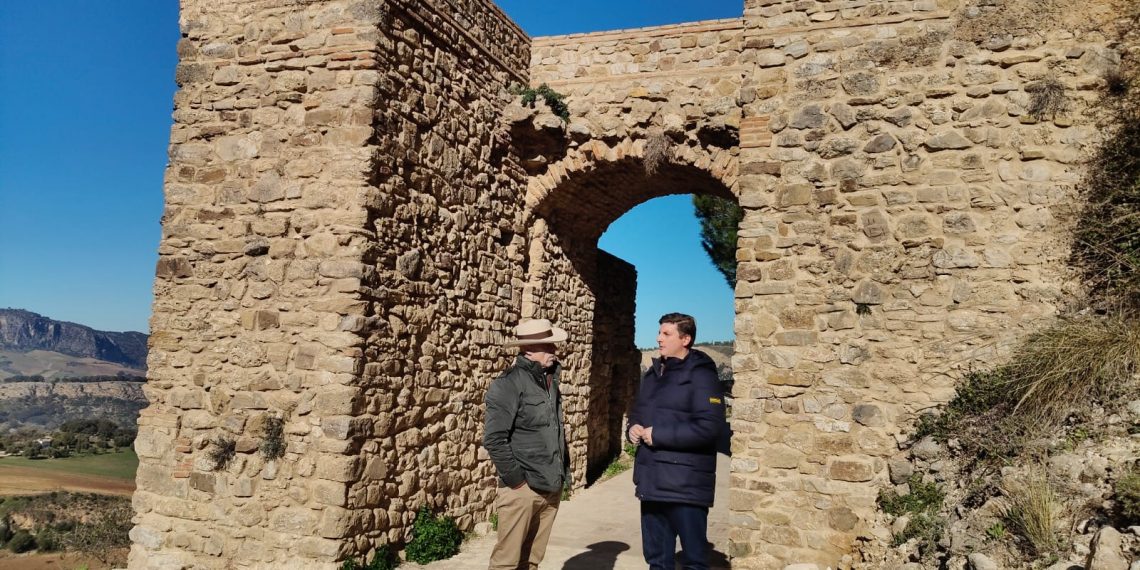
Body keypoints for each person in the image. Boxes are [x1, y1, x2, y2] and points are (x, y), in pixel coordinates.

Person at [628, 312, 726, 570]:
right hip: (652, 483)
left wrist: (657, 435)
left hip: (686, 487)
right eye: (660, 332)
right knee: (657, 561)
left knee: (693, 561)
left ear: (686, 339)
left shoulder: (702, 376)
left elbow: (710, 428)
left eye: (666, 334)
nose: (658, 338)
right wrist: (633, 428)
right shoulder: (652, 374)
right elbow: (638, 412)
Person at [484, 318, 571, 570]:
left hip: (551, 486)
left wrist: (561, 475)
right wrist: (517, 482)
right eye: (549, 346)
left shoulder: (550, 381)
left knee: (531, 561)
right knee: (506, 564)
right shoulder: (508, 384)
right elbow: (494, 439)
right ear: (529, 350)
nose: (555, 351)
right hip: (522, 490)